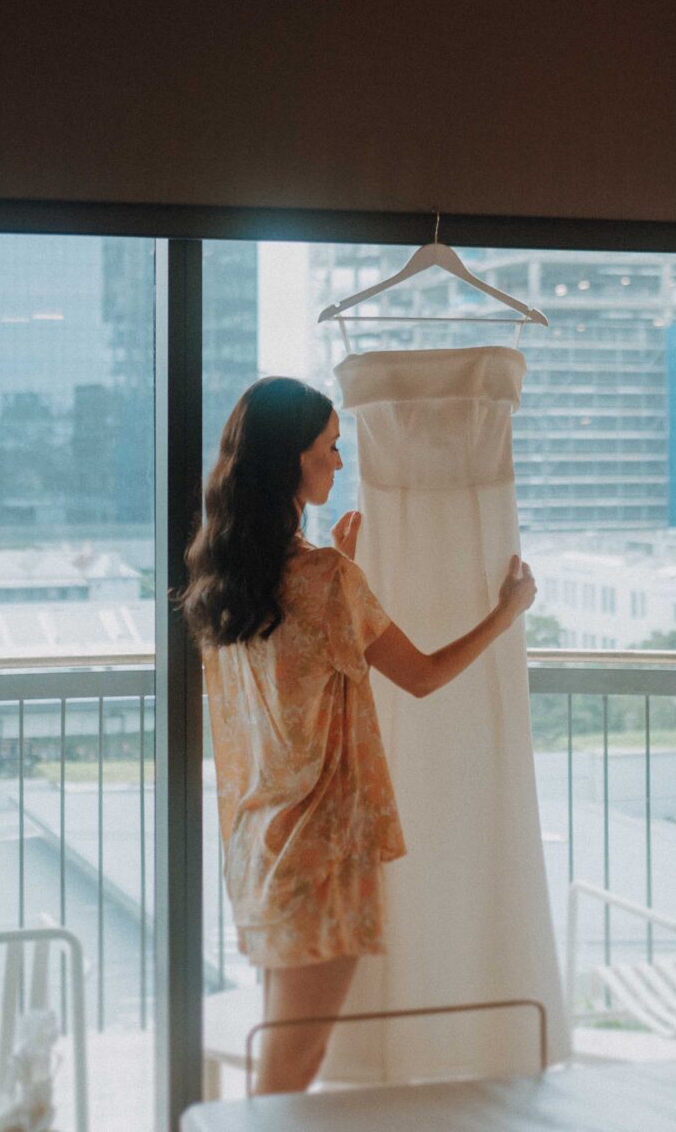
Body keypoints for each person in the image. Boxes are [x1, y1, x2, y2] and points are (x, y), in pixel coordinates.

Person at [181, 375, 535, 1095]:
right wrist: (506, 614)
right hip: (322, 850)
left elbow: (294, 672)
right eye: (330, 449)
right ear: (293, 462)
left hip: (261, 844)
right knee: (291, 1069)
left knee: (280, 1054)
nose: (340, 464)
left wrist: (339, 566)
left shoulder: (225, 576)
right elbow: (425, 675)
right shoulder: (326, 578)